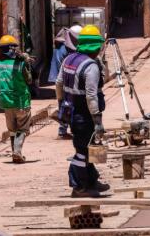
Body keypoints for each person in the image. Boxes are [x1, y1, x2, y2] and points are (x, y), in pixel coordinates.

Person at [64, 25, 111, 198]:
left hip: (72, 111)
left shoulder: (69, 60)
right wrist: (97, 121)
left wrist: (63, 104)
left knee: (90, 148)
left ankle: (92, 180)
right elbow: (91, 95)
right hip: (85, 115)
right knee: (82, 151)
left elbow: (59, 84)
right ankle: (78, 186)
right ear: (95, 46)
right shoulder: (90, 66)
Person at [0, 34, 33, 163]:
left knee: (12, 130)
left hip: (6, 102)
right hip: (21, 101)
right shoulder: (21, 64)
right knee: (22, 128)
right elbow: (29, 80)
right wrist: (27, 63)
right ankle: (17, 151)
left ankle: (14, 154)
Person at [52, 25, 82, 139]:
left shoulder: (63, 46)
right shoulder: (64, 49)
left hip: (64, 81)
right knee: (67, 106)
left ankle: (65, 129)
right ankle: (63, 130)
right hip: (65, 81)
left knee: (66, 106)